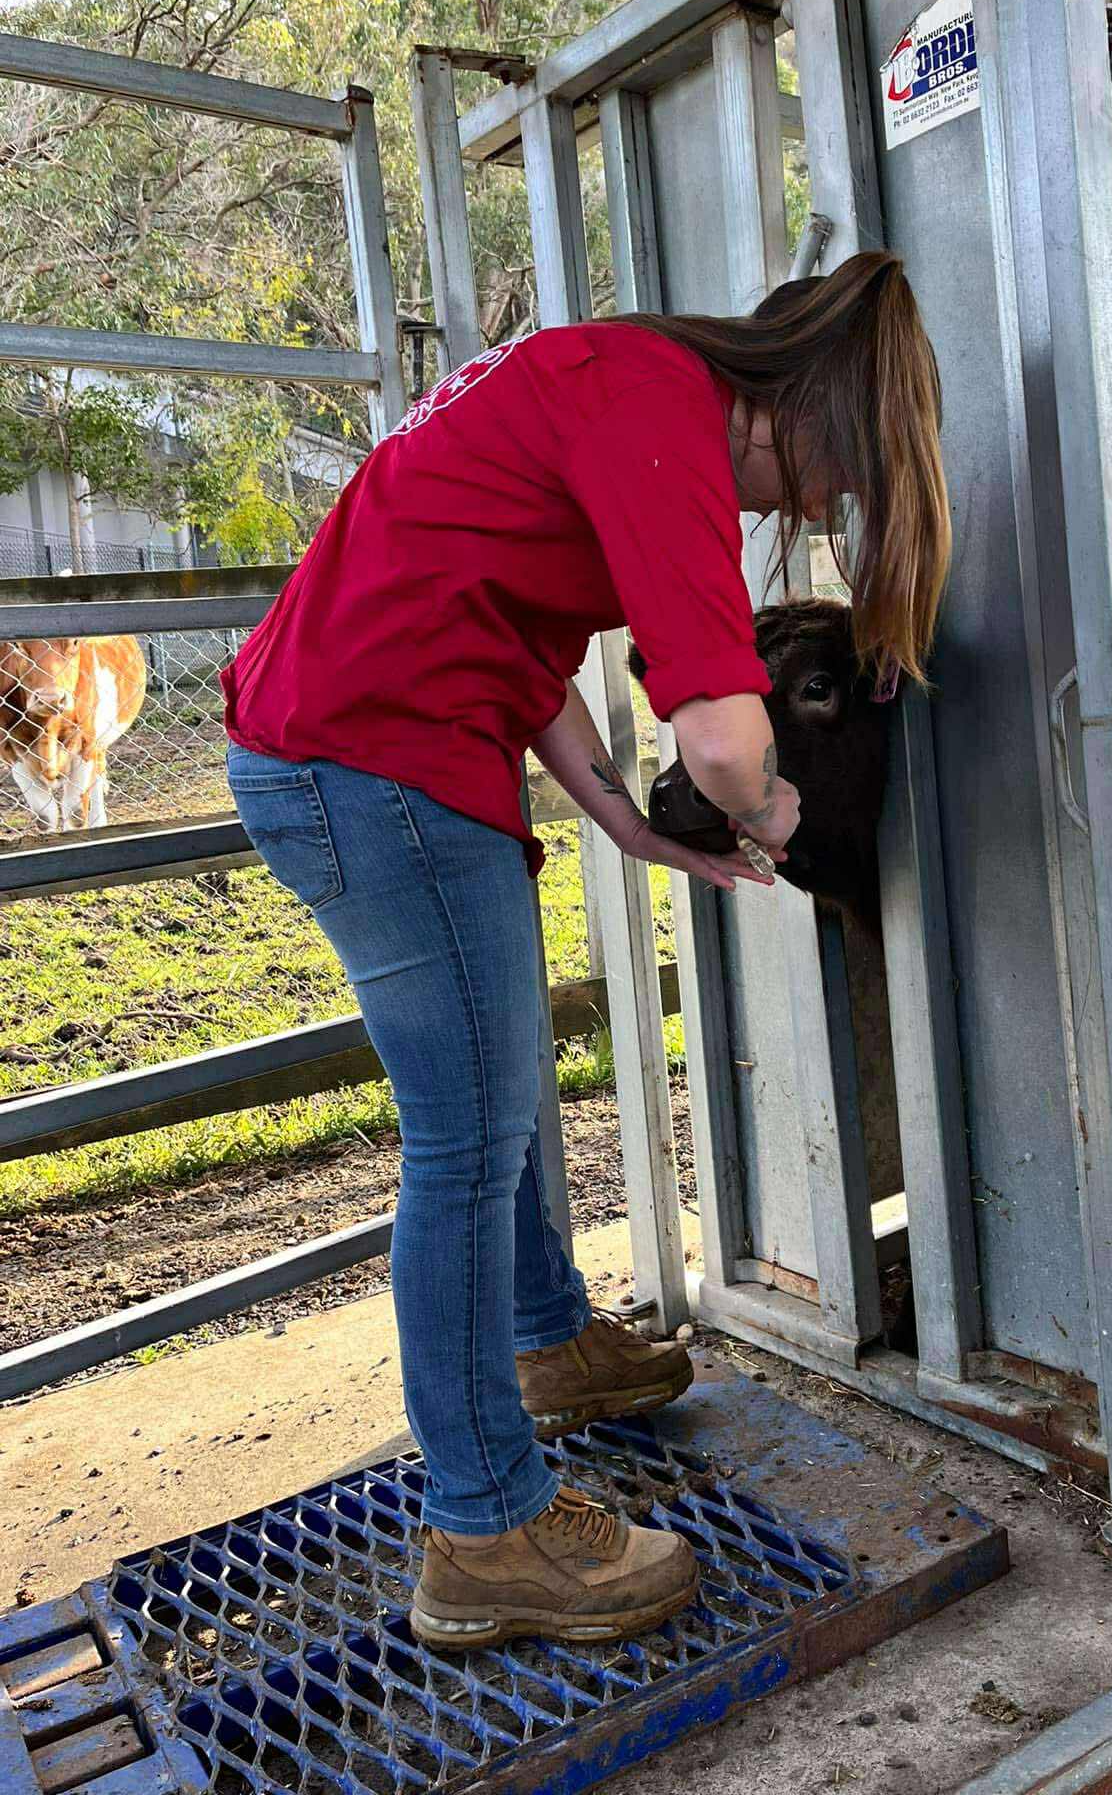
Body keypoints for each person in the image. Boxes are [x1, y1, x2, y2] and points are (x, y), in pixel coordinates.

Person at [222, 250, 950, 1651]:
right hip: (372, 766)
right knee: (465, 1138)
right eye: (827, 477)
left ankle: (549, 1340)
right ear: (797, 404)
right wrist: (767, 806)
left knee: (496, 1093)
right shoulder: (660, 416)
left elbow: (515, 618)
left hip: (363, 749)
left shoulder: (605, 377)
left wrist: (613, 811)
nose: (809, 507)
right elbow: (731, 740)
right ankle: (489, 1531)